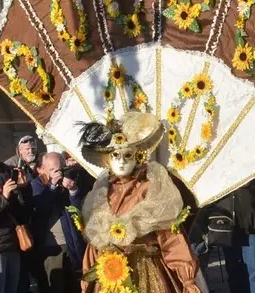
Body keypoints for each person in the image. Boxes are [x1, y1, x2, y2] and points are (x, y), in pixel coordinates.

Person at [78, 112, 200, 293]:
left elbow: (170, 237)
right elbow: (95, 242)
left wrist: (187, 279)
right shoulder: (102, 192)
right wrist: (88, 277)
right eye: (115, 155)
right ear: (107, 159)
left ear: (137, 156)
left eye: (127, 155)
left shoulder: (151, 188)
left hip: (148, 271)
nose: (121, 161)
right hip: (109, 273)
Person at [29, 152, 86, 293]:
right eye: (53, 170)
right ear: (43, 169)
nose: (57, 173)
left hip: (72, 243)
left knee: (74, 287)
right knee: (55, 287)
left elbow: (78, 210)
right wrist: (52, 186)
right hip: (52, 248)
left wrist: (73, 190)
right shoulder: (37, 185)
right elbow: (41, 211)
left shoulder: (68, 182)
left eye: (60, 169)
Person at [0, 161, 29, 293]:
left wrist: (21, 188)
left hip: (12, 243)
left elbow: (22, 211)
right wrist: (4, 197)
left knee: (12, 289)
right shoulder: (2, 190)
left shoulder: (1, 179)